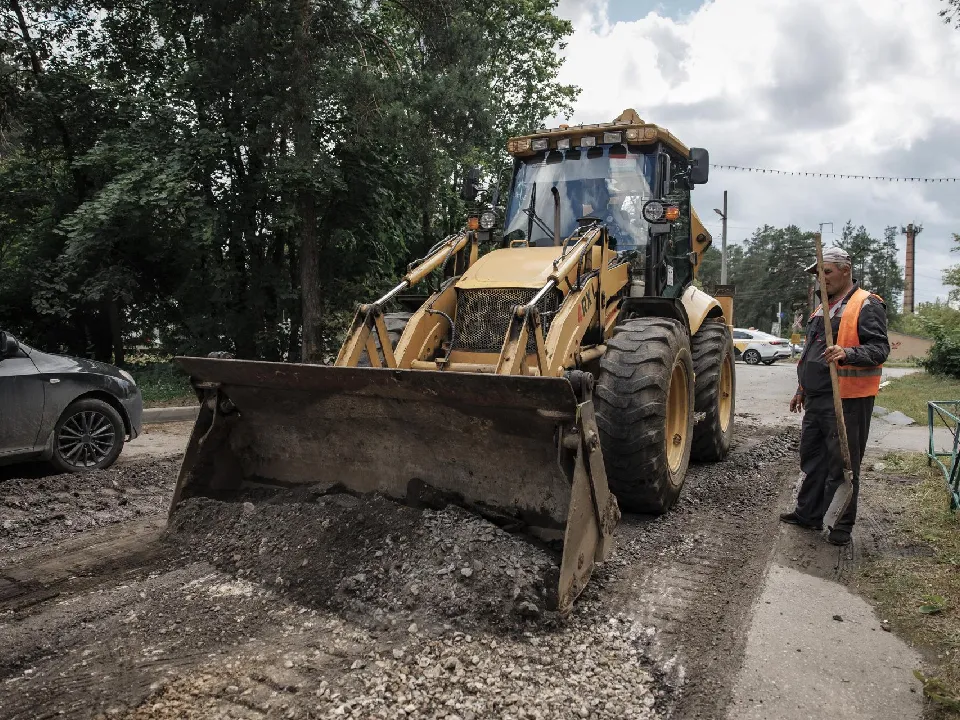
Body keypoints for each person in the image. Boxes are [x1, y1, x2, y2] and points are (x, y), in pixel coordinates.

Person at [779, 246, 890, 546]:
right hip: (817, 399)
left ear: (845, 270)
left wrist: (848, 353)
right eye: (818, 273)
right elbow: (812, 354)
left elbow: (880, 349)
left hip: (847, 400)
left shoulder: (866, 304)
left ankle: (840, 527)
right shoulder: (822, 309)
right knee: (812, 458)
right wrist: (802, 388)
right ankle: (809, 515)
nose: (821, 278)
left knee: (843, 463)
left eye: (826, 272)